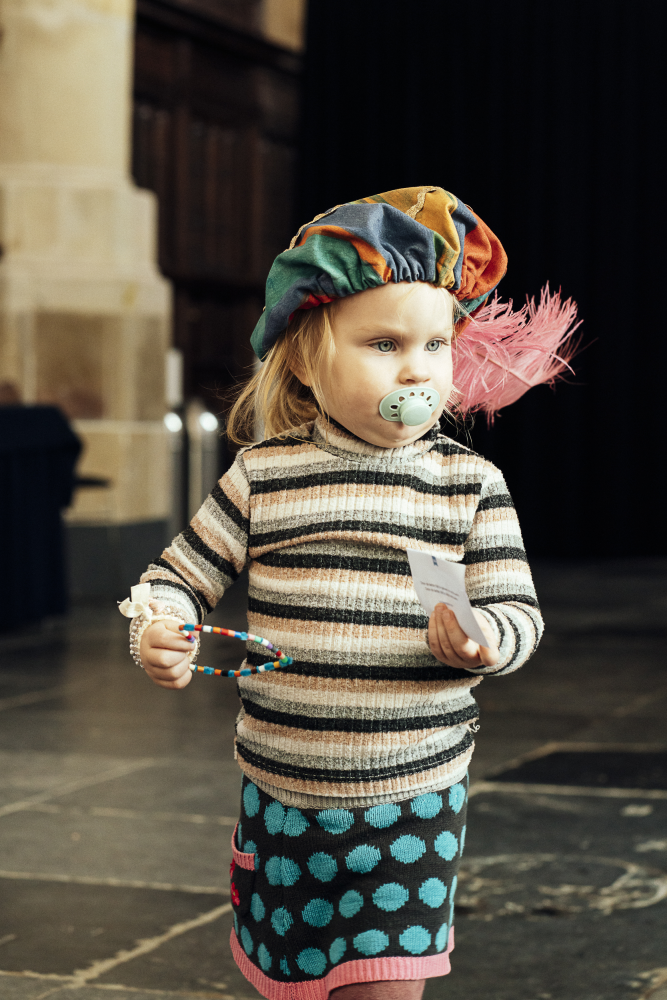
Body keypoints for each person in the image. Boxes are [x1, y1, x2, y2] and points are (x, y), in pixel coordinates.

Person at [123, 186, 578, 1000]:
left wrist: (486, 638)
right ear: (305, 357)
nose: (417, 369)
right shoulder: (264, 476)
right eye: (383, 343)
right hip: (282, 794)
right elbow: (178, 576)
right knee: (292, 981)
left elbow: (518, 612)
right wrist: (160, 624)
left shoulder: (468, 484)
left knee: (383, 985)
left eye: (435, 344)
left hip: (413, 797)